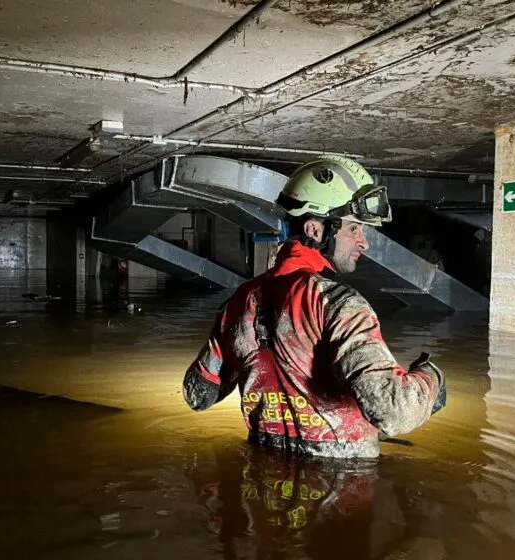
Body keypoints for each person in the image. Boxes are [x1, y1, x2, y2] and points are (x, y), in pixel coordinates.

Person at [181, 155, 446, 459]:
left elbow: (198, 395)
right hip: (343, 487)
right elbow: (394, 412)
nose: (364, 243)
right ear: (315, 230)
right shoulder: (339, 304)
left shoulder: (239, 302)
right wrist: (431, 379)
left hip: (263, 480)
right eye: (353, 230)